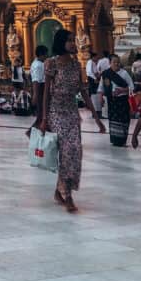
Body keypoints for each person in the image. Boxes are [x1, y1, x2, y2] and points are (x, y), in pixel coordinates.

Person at [40, 29, 105, 212]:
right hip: (55, 112)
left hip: (71, 112)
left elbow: (83, 91)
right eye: (68, 40)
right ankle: (67, 195)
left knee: (75, 151)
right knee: (67, 151)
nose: (72, 43)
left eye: (72, 40)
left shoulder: (76, 65)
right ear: (61, 43)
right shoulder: (51, 64)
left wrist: (97, 117)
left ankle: (60, 190)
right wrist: (44, 118)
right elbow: (46, 92)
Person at [101, 54, 134, 147]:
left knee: (123, 120)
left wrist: (122, 90)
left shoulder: (124, 73)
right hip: (111, 101)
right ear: (109, 63)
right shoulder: (106, 74)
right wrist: (101, 97)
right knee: (113, 120)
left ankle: (122, 140)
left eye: (118, 62)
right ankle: (115, 140)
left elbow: (132, 87)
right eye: (114, 62)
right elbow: (101, 87)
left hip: (122, 101)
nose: (117, 64)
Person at [25, 45, 49, 136]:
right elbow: (36, 81)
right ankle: (30, 133)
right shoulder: (37, 65)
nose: (47, 56)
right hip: (40, 90)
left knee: (43, 114)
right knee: (41, 114)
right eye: (46, 54)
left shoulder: (39, 63)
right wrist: (35, 94)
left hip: (42, 89)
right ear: (41, 55)